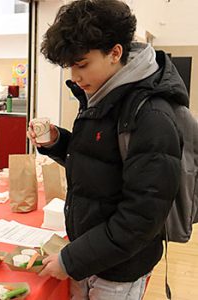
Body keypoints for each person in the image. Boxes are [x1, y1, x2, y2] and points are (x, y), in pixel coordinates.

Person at [27, 0, 188, 299]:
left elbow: (141, 218)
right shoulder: (100, 95)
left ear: (115, 53)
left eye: (82, 64)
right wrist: (56, 141)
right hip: (87, 255)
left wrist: (71, 260)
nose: (74, 76)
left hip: (118, 271)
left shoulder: (150, 114)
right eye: (70, 66)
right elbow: (97, 163)